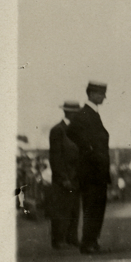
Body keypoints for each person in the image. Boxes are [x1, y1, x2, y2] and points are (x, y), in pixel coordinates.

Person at [66, 81, 111, 254]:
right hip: (91, 171)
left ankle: (92, 241)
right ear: (91, 94)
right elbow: (72, 131)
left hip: (97, 171)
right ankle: (88, 243)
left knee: (97, 207)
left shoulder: (92, 113)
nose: (103, 97)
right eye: (100, 94)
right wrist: (88, 149)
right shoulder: (84, 113)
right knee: (92, 208)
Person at [48, 100, 81, 249]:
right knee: (61, 210)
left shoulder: (77, 130)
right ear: (69, 113)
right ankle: (58, 240)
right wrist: (63, 178)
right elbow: (56, 157)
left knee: (74, 209)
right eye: (76, 113)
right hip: (64, 178)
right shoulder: (58, 130)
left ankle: (71, 238)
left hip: (76, 177)